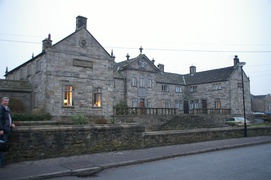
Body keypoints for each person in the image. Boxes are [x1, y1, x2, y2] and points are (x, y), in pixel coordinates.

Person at [0, 97, 15, 167]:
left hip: (7, 129)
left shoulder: (7, 108)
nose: (6, 102)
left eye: (7, 101)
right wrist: (0, 129)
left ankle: (2, 161)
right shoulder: (1, 108)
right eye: (5, 101)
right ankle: (1, 163)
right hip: (3, 131)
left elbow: (9, 117)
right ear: (2, 101)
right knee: (1, 147)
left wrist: (12, 123)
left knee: (3, 146)